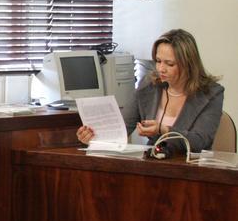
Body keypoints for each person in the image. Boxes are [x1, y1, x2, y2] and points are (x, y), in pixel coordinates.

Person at [77, 29, 224, 155]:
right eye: (158, 61)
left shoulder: (211, 93)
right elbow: (122, 129)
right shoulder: (149, 85)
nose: (161, 69)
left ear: (188, 64)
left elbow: (200, 141)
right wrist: (94, 137)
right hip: (154, 164)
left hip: (191, 169)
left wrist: (163, 130)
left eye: (169, 64)